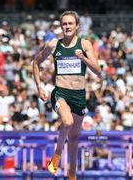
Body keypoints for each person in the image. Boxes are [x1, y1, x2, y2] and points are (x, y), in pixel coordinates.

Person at [33, 11, 101, 180]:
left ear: (77, 26)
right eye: (64, 24)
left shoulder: (84, 44)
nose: (67, 27)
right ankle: (56, 154)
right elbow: (35, 62)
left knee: (74, 137)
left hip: (79, 95)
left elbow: (98, 71)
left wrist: (83, 59)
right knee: (68, 121)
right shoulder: (53, 45)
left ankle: (72, 176)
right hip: (60, 93)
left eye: (70, 23)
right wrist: (39, 87)